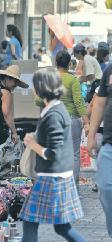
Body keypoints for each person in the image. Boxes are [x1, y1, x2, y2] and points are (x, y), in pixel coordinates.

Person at [0, 67, 109, 242]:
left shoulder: (54, 114)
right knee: (60, 228)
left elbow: (52, 152)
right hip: (57, 177)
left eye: (36, 86)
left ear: (42, 88)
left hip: (51, 178)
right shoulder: (56, 110)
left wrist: (32, 143)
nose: (33, 90)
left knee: (33, 224)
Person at [87, 62, 112, 242]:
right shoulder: (109, 70)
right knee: (105, 187)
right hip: (109, 143)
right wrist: (91, 134)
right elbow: (100, 102)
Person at [56, 50, 89, 187]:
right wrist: (86, 121)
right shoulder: (73, 80)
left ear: (56, 63)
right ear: (69, 63)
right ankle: (73, 186)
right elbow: (79, 102)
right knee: (75, 154)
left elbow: (40, 101)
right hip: (72, 119)